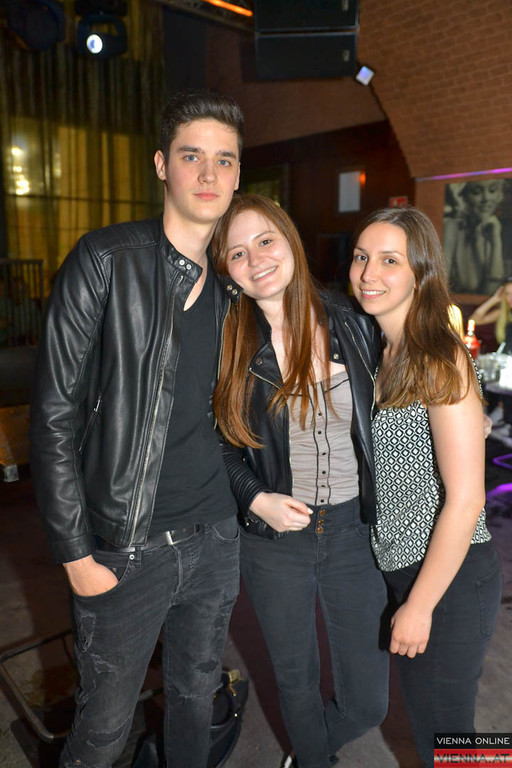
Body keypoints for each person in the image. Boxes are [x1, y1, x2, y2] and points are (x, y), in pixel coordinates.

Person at [29, 90, 243, 768]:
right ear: (161, 165)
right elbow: (54, 414)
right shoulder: (106, 259)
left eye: (224, 160)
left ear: (238, 174)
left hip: (215, 538)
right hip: (125, 551)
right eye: (191, 156)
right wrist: (75, 554)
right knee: (103, 730)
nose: (208, 174)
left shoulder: (235, 284)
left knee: (195, 701)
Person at [211, 193, 389, 768]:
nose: (256, 259)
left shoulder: (355, 319)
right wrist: (255, 497)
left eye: (265, 240)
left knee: (368, 703)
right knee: (295, 681)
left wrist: (464, 403)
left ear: (289, 240)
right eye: (237, 252)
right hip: (274, 544)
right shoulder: (228, 344)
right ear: (227, 270)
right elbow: (213, 445)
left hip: (354, 532)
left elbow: (421, 360)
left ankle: (314, 748)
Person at [349, 206, 502, 768]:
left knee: (447, 737)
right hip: (406, 569)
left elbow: (466, 500)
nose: (369, 273)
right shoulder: (383, 353)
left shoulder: (439, 357)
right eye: (361, 257)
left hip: (448, 577)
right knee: (437, 728)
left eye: (390, 260)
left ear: (421, 274)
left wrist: (419, 605)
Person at [443, 179, 505, 294]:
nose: (486, 198)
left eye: (492, 190)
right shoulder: (452, 226)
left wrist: (496, 242)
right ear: (463, 196)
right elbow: (441, 283)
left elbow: (492, 289)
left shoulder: (496, 227)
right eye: (476, 192)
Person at [470, 276, 512, 353]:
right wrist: (494, 299)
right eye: (507, 294)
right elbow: (474, 320)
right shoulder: (503, 313)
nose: (510, 298)